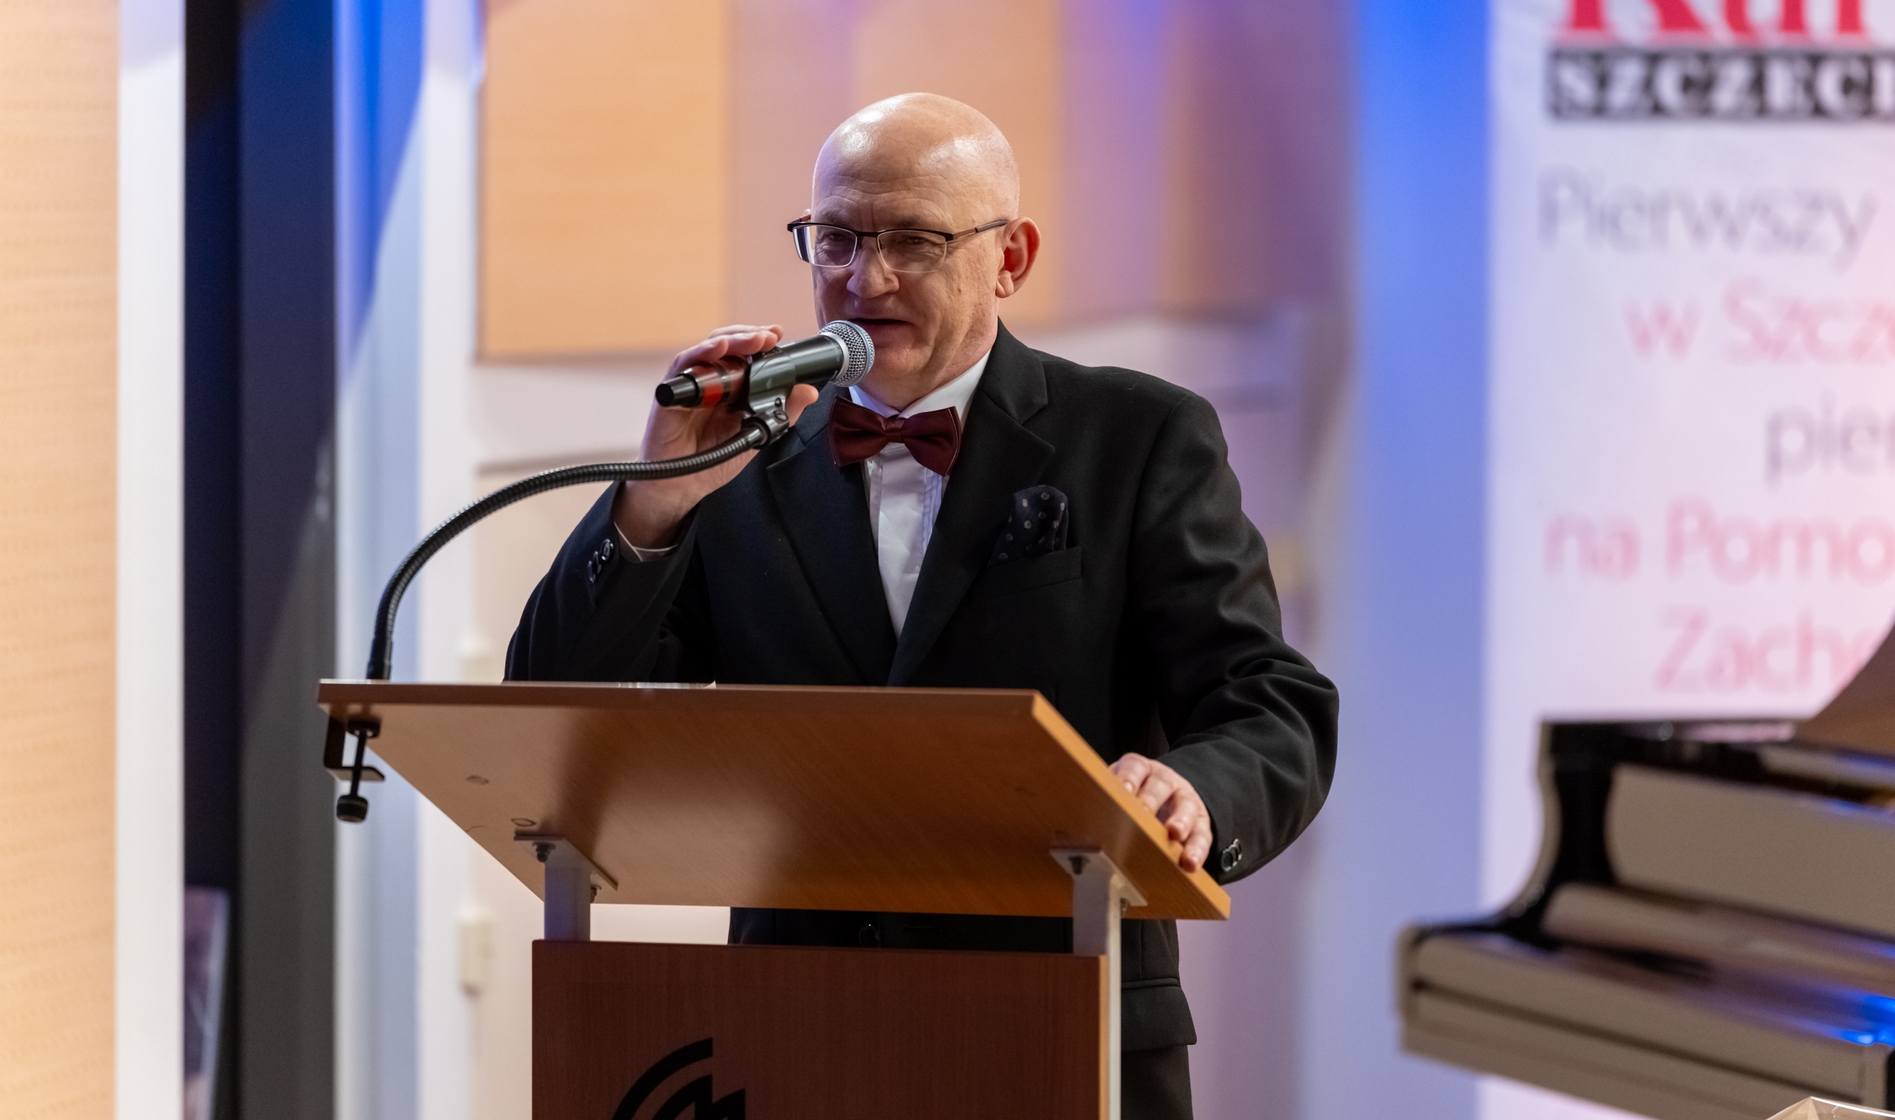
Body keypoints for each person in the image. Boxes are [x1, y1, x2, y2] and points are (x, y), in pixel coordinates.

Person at [507, 92, 1338, 1120]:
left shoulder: (1137, 435)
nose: (866, 278)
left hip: (1063, 1025)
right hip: (786, 1037)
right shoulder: (741, 455)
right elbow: (552, 713)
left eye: (913, 240)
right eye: (838, 238)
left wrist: (1193, 790)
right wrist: (656, 498)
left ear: (1010, 257)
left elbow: (1270, 701)